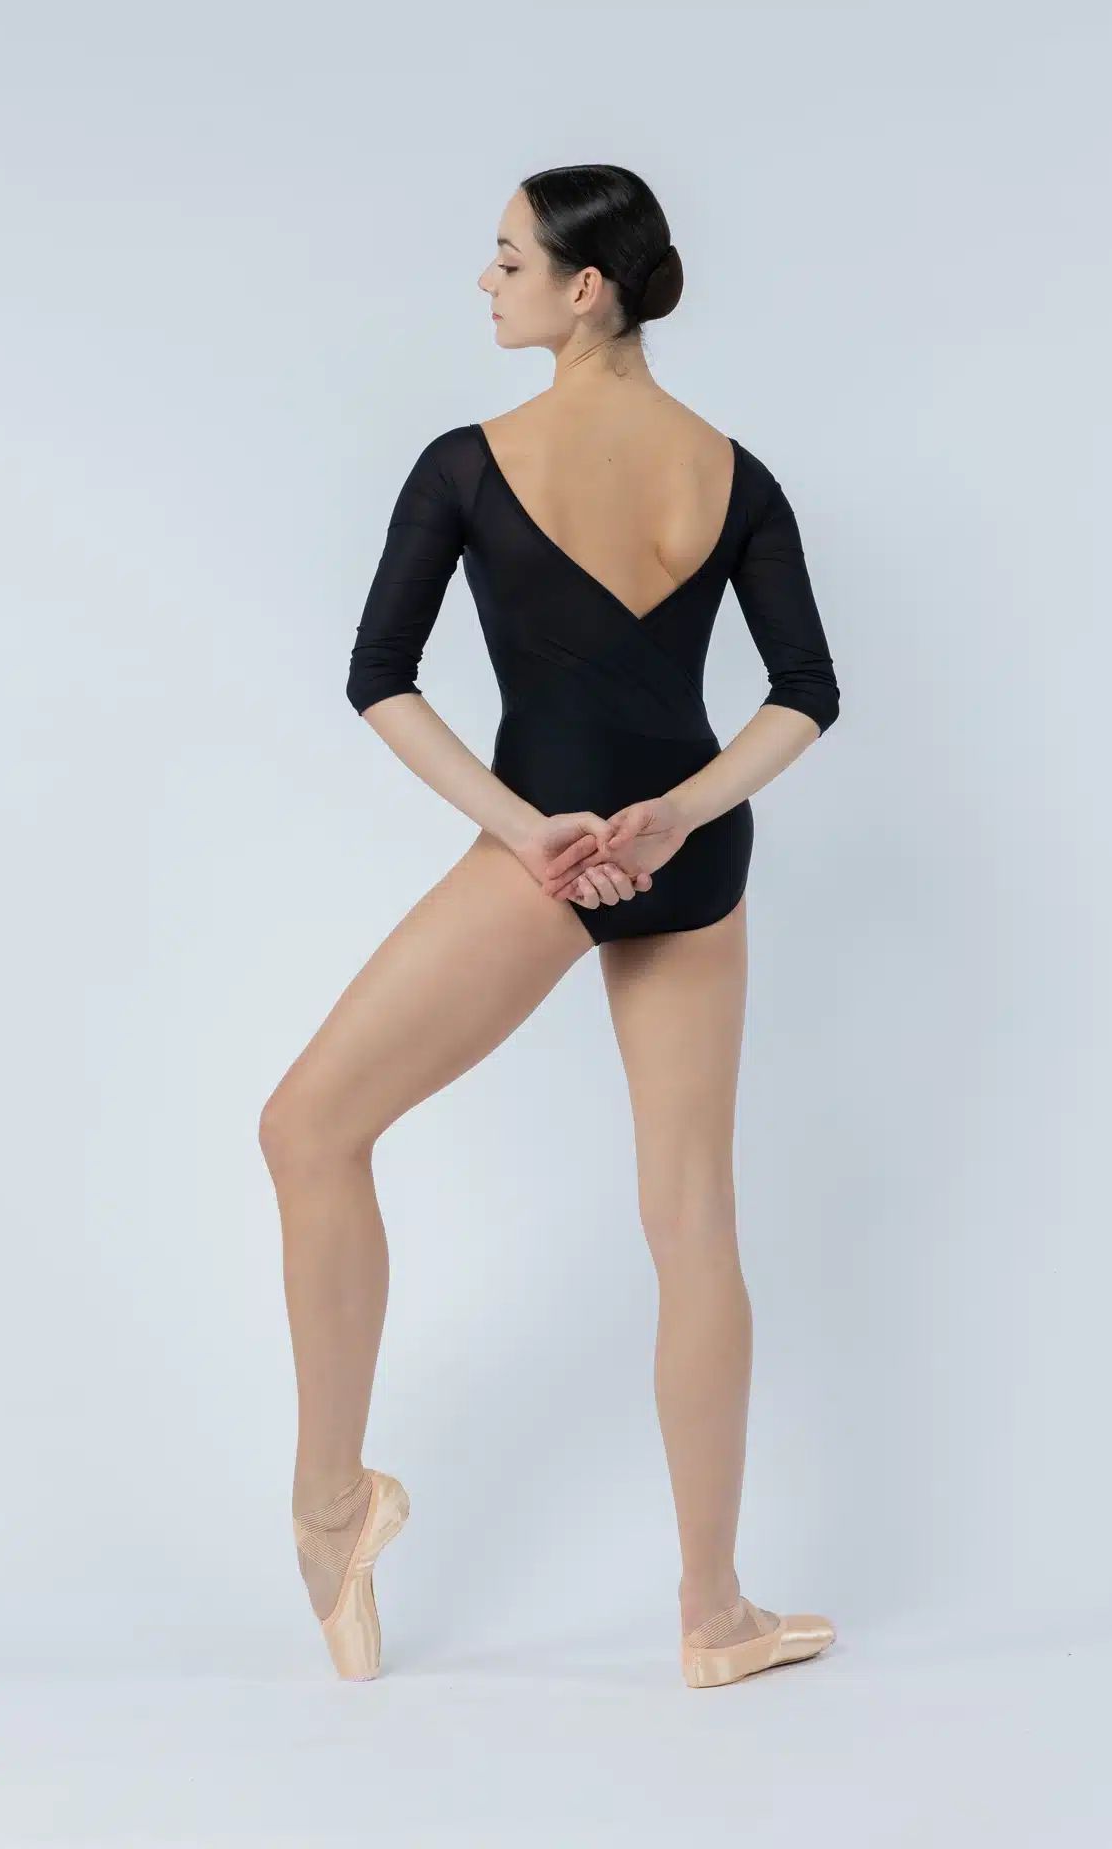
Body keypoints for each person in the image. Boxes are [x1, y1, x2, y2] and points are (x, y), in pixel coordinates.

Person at [259, 163, 841, 1688]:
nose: (486, 280)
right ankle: (715, 1617)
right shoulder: (735, 472)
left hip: (555, 852)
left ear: (587, 289)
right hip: (691, 854)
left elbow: (379, 677)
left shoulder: (469, 464)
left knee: (308, 1128)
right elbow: (805, 695)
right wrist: (685, 814)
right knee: (693, 1220)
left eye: (508, 258)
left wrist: (530, 833)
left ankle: (334, 1509)